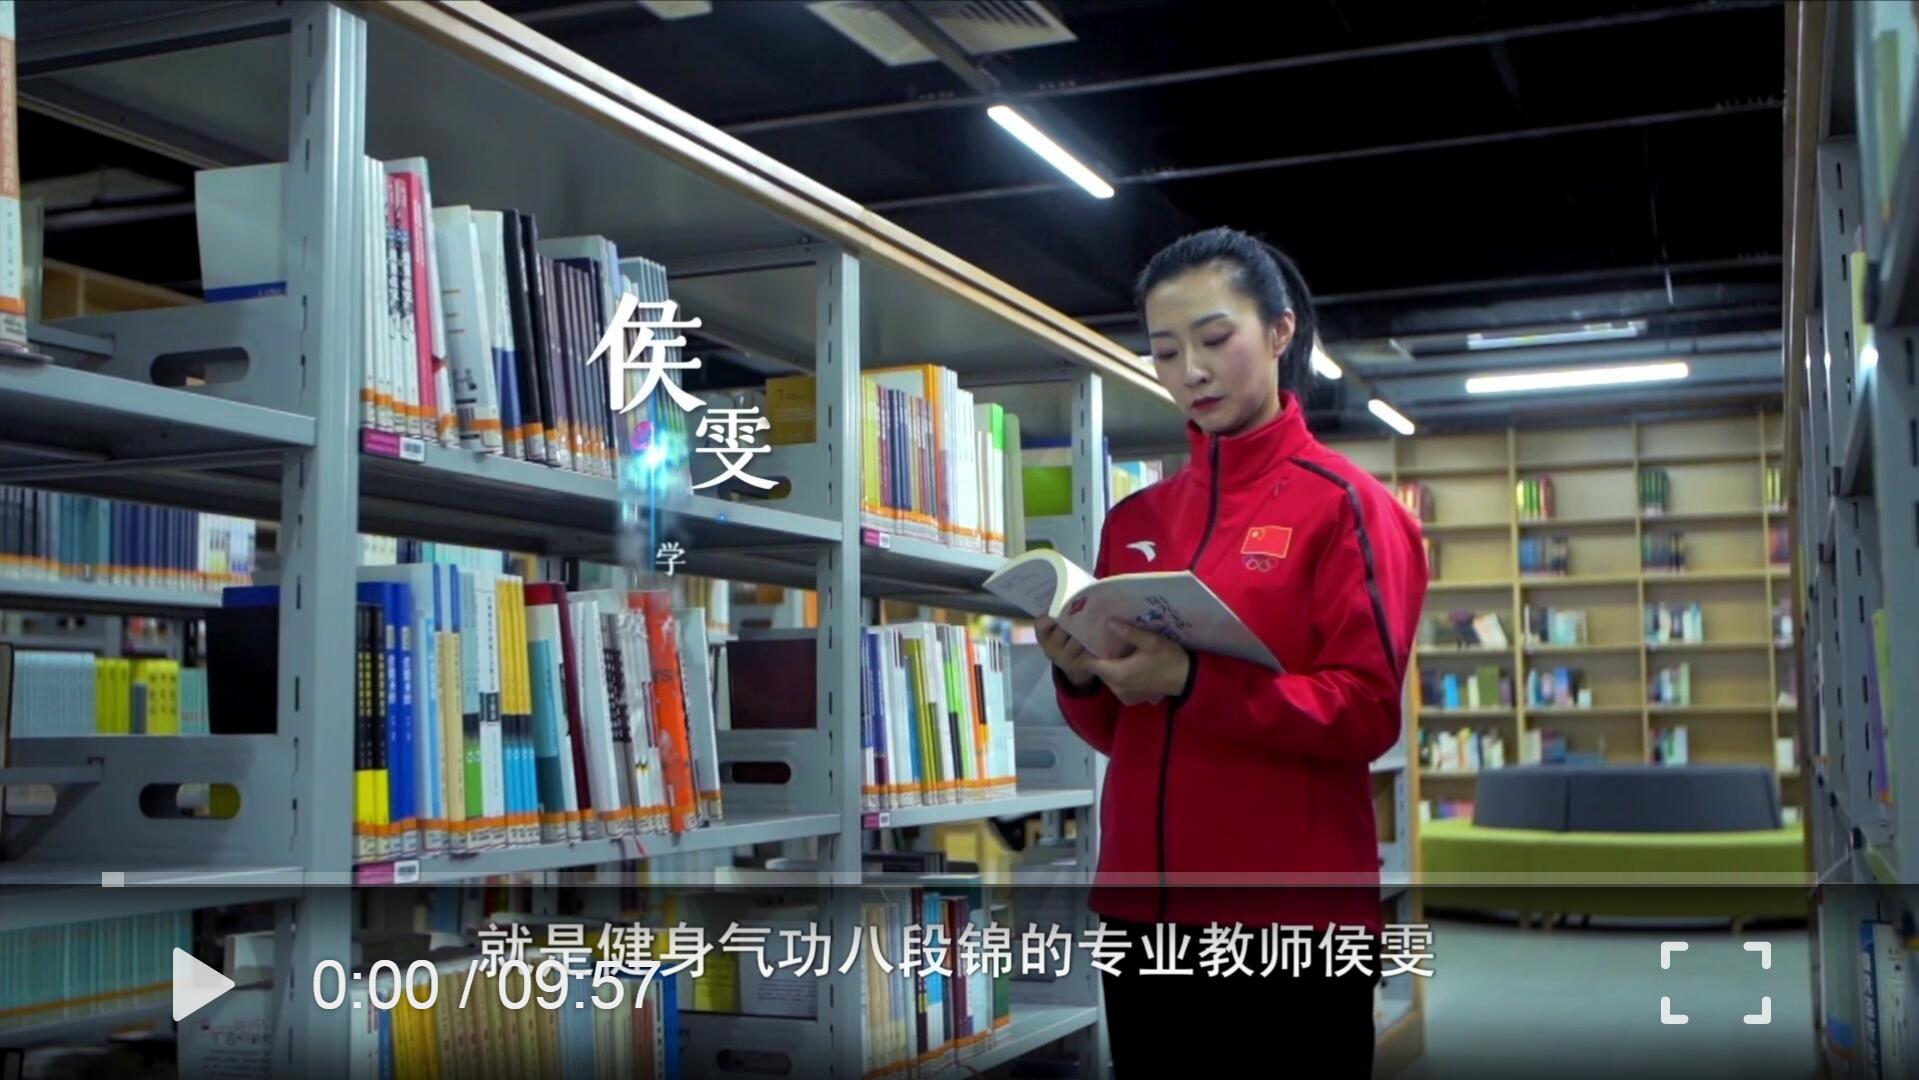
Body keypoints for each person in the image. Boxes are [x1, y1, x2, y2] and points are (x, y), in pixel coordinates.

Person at [1037, 227, 1429, 1076]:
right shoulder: (1134, 521)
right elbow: (1124, 733)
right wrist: (1081, 674)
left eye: (1215, 339)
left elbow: (1365, 714)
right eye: (1165, 351)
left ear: (1280, 332)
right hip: (1142, 917)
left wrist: (1191, 681)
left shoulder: (1348, 507)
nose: (1191, 371)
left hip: (1289, 920)